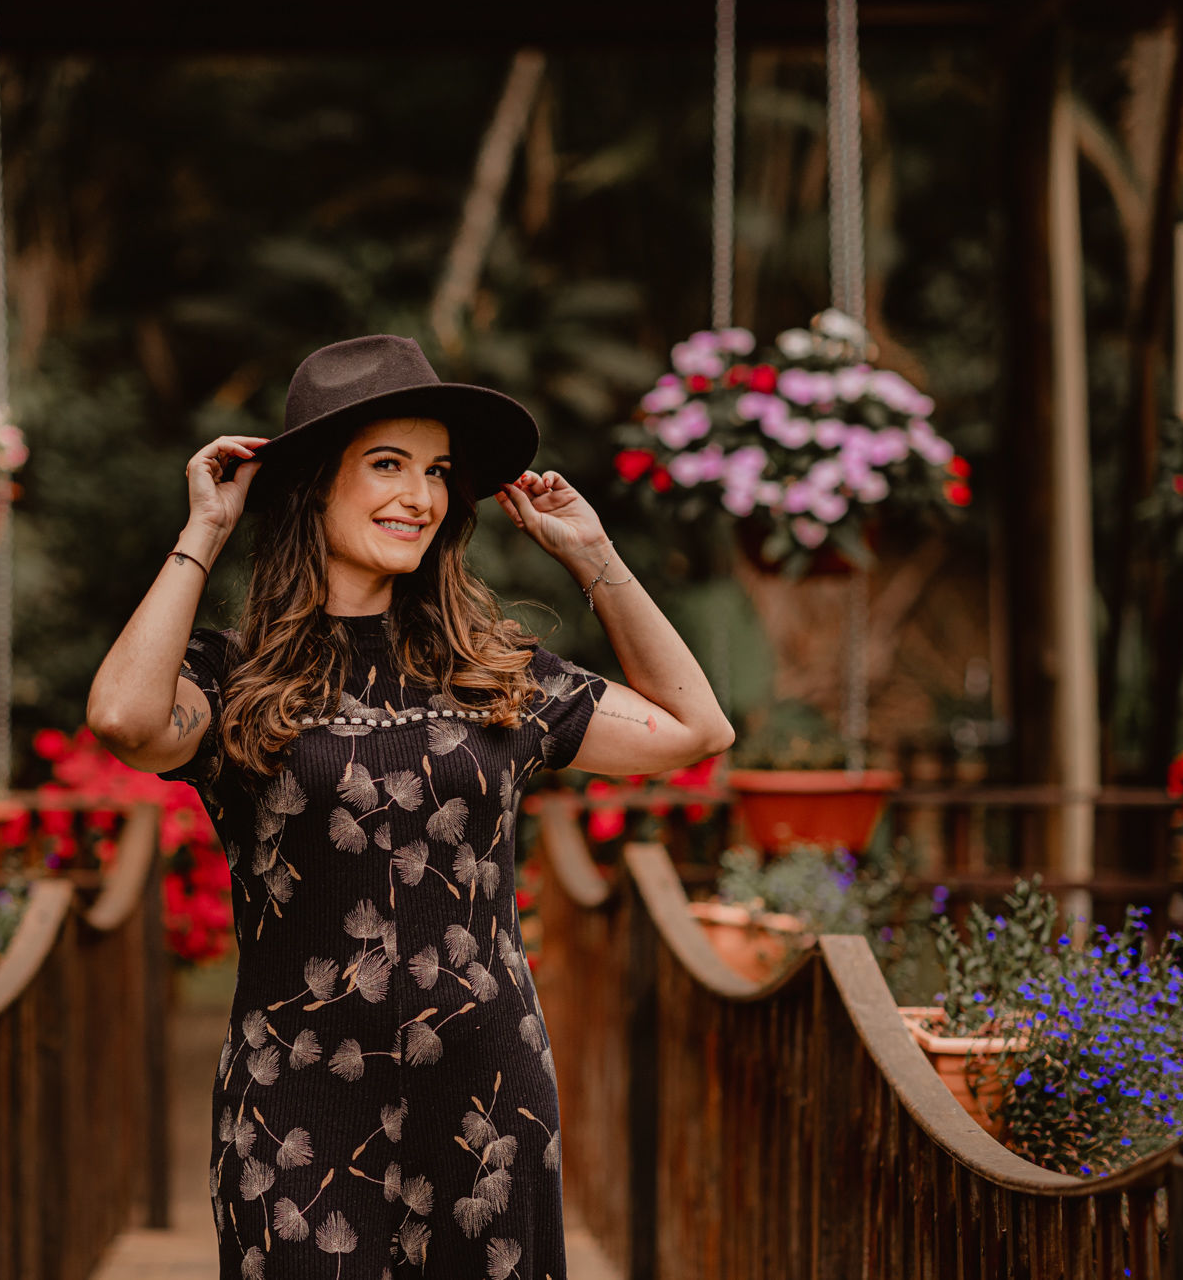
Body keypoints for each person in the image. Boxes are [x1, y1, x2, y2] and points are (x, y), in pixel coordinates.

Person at [87, 334, 731, 1279]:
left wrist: (594, 557)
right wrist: (206, 531)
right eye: (386, 464)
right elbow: (121, 718)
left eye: (434, 471)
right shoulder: (236, 681)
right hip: (297, 1109)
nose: (420, 496)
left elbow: (695, 728)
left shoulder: (491, 673)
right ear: (315, 485)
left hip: (486, 1101)